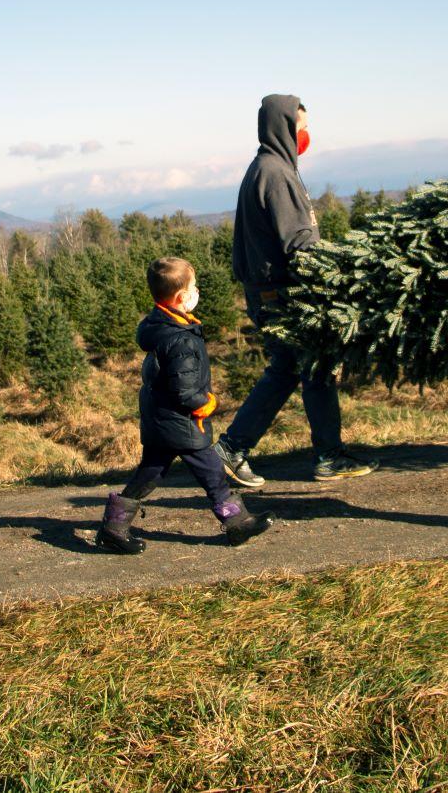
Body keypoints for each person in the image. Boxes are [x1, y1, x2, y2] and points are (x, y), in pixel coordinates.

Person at [214, 94, 377, 487]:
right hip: (281, 295)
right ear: (284, 129)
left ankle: (323, 453)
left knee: (299, 370)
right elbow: (298, 242)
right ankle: (237, 449)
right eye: (301, 127)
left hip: (270, 293)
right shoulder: (276, 173)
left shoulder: (269, 167)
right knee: (300, 369)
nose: (306, 134)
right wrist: (340, 265)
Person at [96, 256, 270, 554]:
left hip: (161, 418)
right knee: (213, 473)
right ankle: (237, 522)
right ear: (181, 298)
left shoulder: (160, 325)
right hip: (183, 423)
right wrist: (207, 403)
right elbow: (184, 389)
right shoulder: (181, 341)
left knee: (150, 472)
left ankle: (114, 527)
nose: (198, 292)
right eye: (194, 288)